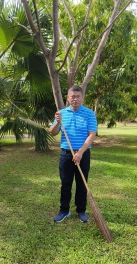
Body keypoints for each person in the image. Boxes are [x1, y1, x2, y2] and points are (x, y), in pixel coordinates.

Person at [49, 85, 97, 223]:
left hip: (83, 154)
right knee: (66, 183)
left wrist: (80, 152)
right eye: (72, 96)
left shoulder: (89, 114)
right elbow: (52, 132)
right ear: (68, 98)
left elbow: (92, 134)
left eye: (78, 96)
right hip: (66, 154)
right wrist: (57, 122)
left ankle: (81, 211)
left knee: (82, 183)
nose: (75, 99)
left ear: (82, 98)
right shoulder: (61, 114)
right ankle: (64, 210)